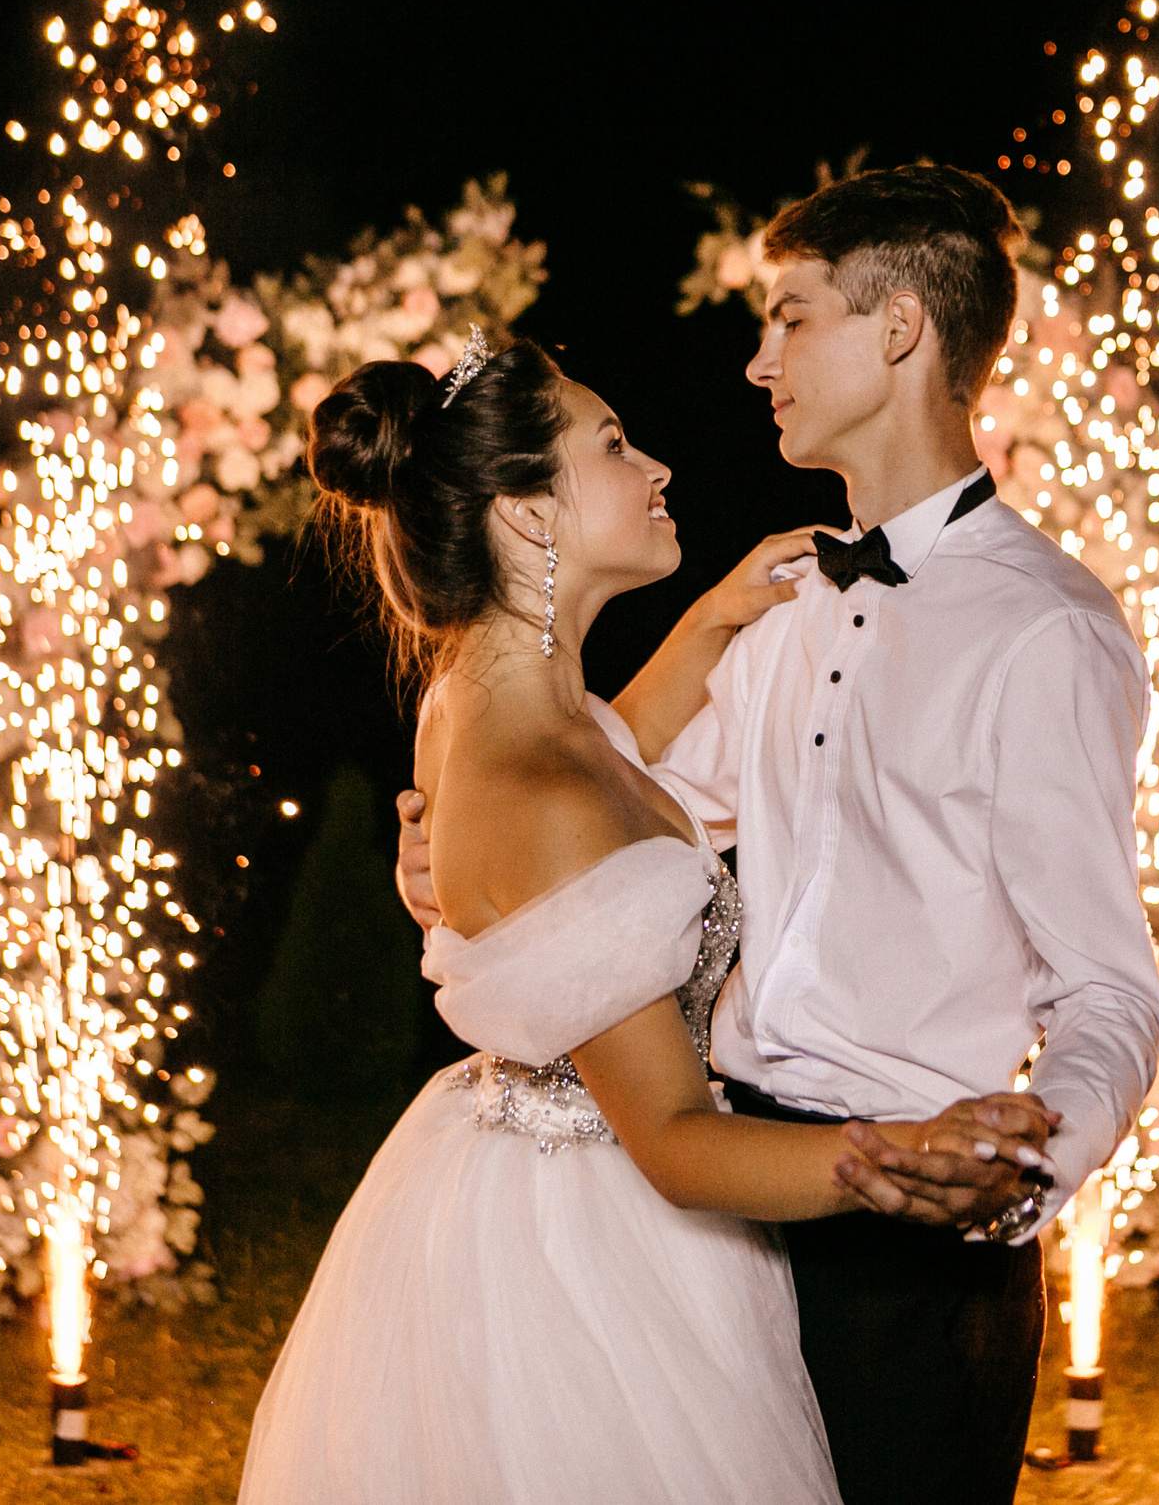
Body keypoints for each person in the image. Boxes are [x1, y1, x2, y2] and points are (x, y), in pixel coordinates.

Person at [400, 166, 1159, 1502]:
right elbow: (621, 821)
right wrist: (457, 862)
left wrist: (1026, 1159)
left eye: (792, 317)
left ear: (901, 328)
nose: (758, 362)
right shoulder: (782, 601)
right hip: (722, 1220)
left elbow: (1109, 982)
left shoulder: (1047, 632)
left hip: (917, 1239)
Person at [237, 331, 1055, 1505]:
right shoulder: (550, 793)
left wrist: (715, 618)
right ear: (525, 515)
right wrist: (890, 1164)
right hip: (599, 1264)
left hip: (492, 1176)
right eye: (613, 446)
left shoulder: (476, 702)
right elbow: (671, 1139)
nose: (658, 466)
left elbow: (615, 751)